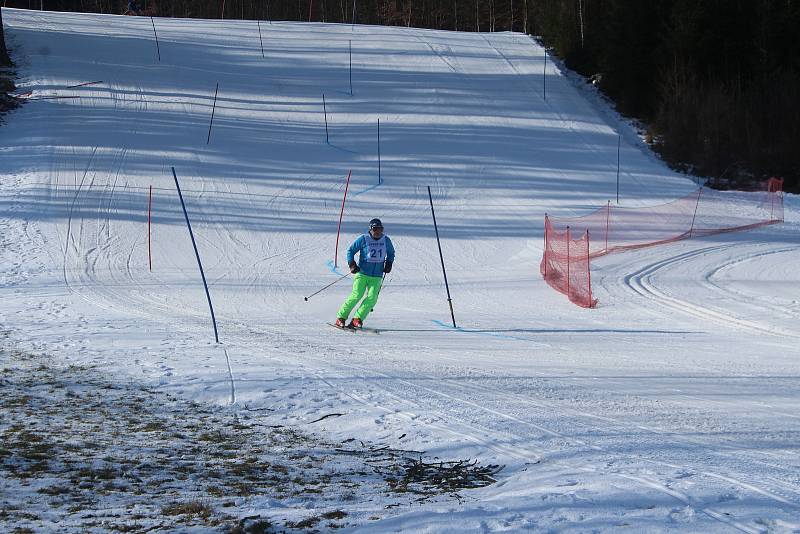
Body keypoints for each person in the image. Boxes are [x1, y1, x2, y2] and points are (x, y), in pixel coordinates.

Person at [335, 218, 395, 329]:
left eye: (380, 229)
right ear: (370, 230)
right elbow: (350, 251)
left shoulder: (386, 240)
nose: (378, 232)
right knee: (357, 295)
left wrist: (389, 264)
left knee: (372, 298)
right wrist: (352, 264)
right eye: (375, 229)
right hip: (362, 273)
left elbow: (391, 253)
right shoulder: (363, 239)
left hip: (377, 275)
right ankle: (341, 317)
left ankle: (357, 319)